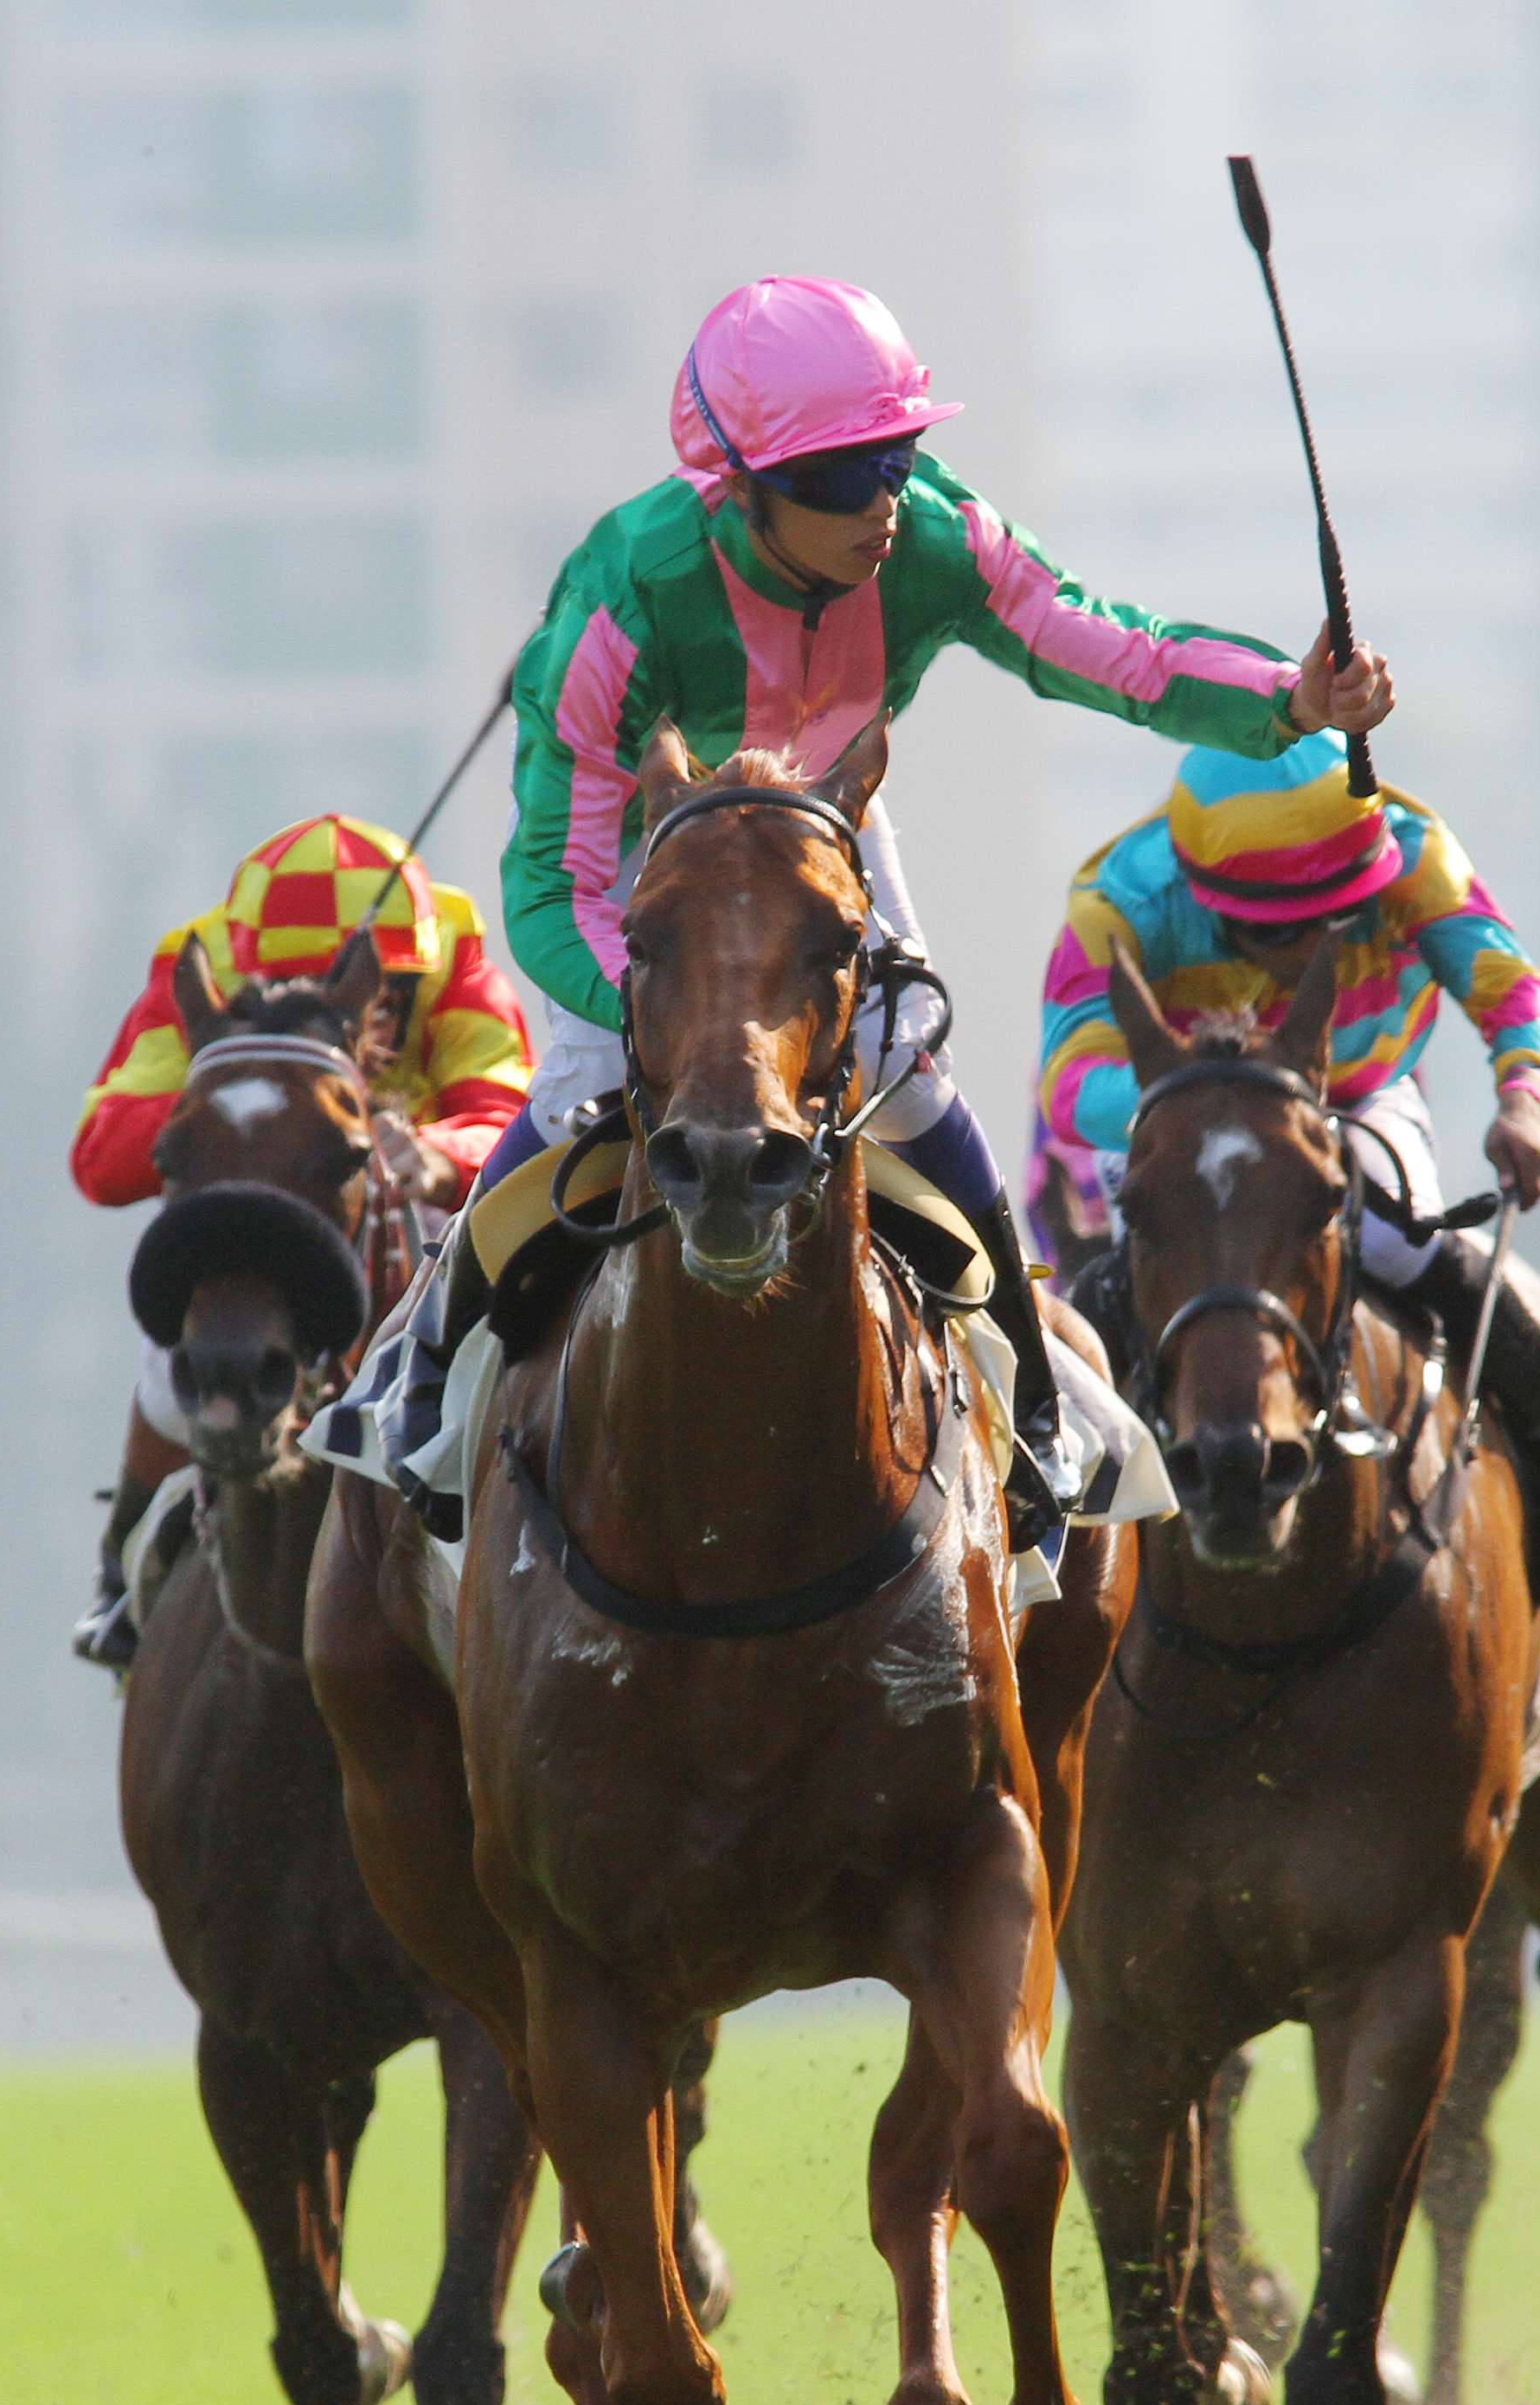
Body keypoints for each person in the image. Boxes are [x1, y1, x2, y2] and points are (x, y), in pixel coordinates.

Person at [465, 274, 1397, 1539]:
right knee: (581, 1083)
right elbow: (548, 883)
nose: (886, 502)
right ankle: (419, 1382)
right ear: (742, 484)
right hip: (657, 866)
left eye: (898, 458)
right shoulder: (624, 596)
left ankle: (1039, 1414)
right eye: (847, 478)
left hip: (821, 828)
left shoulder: (939, 542)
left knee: (907, 1077)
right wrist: (667, 1005)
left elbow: (1107, 647)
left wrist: (1287, 698)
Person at [1037, 732, 1540, 1601]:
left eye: (1332, 918)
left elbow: (1515, 992)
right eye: (1276, 930)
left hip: (1357, 1092)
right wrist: (1221, 1104)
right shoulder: (1122, 899)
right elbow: (1070, 1081)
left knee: (1399, 1245)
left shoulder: (1414, 857)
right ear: (1205, 894)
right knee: (1126, 1279)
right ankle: (1040, 1485)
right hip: (1188, 1115)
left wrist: (1524, 1104)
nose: (1307, 942)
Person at [67, 811, 533, 1667]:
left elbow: (505, 1114)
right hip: (254, 1218)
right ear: (247, 969)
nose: (330, 1012)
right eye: (285, 986)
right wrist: (242, 1114)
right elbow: (101, 1157)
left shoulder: (458, 955)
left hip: (404, 1209)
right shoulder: (189, 966)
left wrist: (433, 1154)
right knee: (174, 1360)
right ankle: (122, 1569)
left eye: (375, 998)